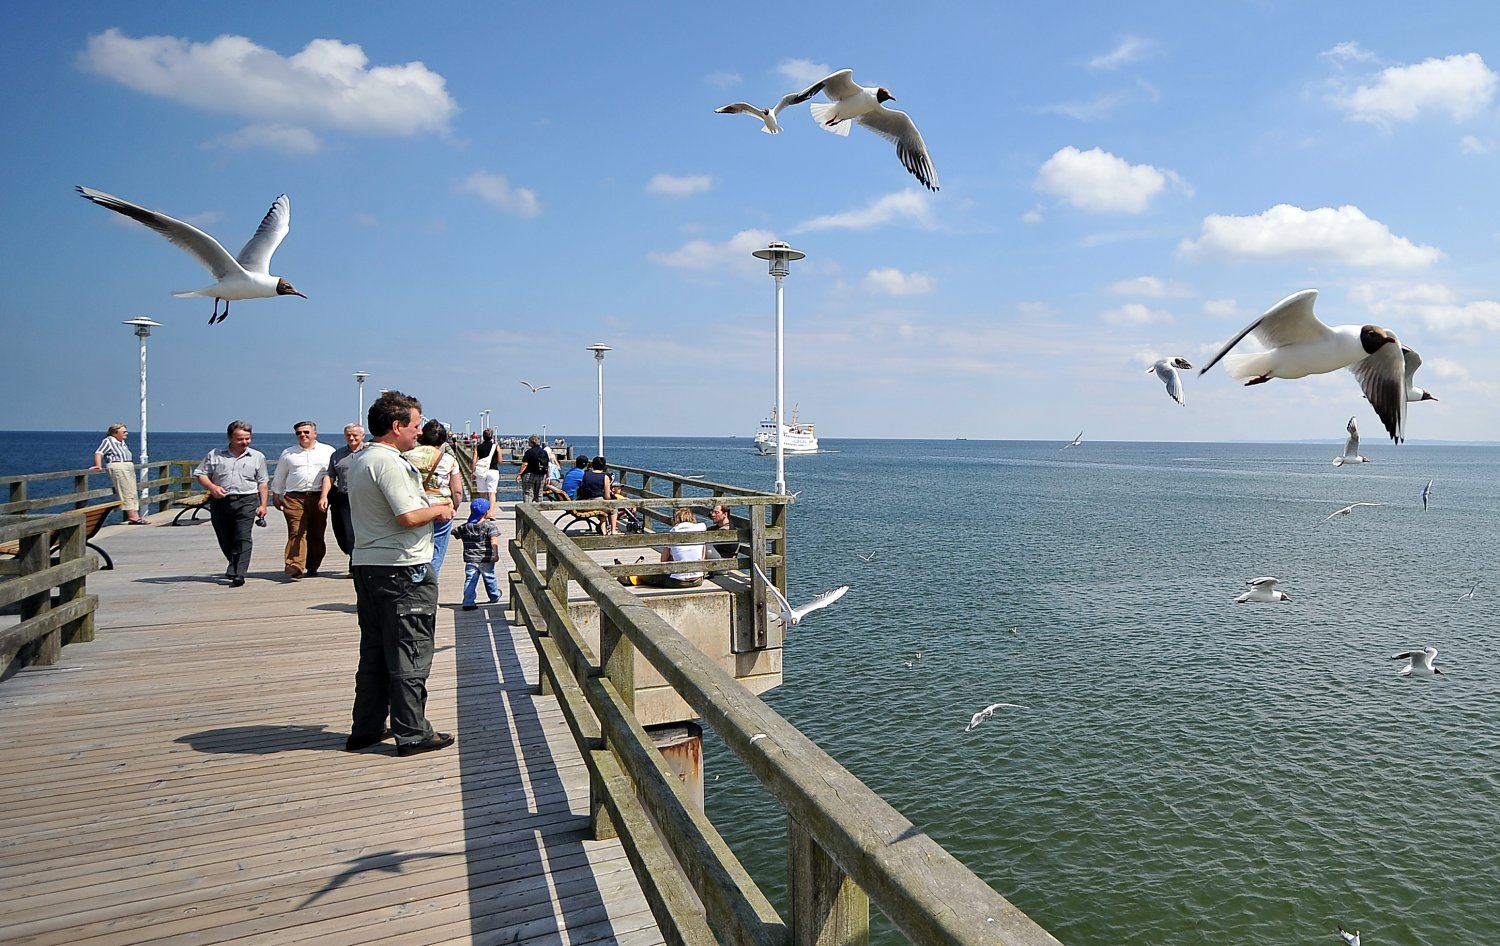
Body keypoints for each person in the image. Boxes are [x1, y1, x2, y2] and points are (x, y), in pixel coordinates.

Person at [345, 390, 456, 757]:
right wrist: (439, 510)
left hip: (369, 565)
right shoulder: (390, 463)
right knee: (410, 650)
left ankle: (366, 726)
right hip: (402, 569)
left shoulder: (360, 459)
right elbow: (407, 516)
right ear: (397, 427)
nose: (419, 432)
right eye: (415, 425)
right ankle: (411, 732)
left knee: (375, 652)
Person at [193, 421, 269, 587]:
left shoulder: (257, 457)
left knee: (243, 536)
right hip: (221, 501)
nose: (244, 442)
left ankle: (239, 573)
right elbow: (200, 474)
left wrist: (263, 505)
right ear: (230, 438)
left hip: (247, 500)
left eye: (248, 438)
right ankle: (234, 563)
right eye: (240, 439)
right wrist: (212, 487)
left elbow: (262, 482)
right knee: (225, 537)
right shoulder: (215, 455)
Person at [270, 421, 335, 580]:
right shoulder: (288, 453)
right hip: (294, 497)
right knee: (296, 531)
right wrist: (276, 494)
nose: (303, 435)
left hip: (319, 497)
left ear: (315, 433)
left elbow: (334, 473)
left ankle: (313, 564)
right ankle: (295, 565)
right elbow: (280, 475)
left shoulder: (328, 451)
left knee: (316, 532)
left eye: (306, 432)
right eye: (299, 433)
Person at [403, 419, 462, 580]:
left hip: (414, 509)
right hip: (441, 509)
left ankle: (413, 583)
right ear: (442, 440)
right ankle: (427, 590)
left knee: (413, 549)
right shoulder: (449, 460)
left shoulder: (405, 457)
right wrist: (454, 507)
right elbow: (457, 491)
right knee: (436, 552)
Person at [319, 424, 365, 559]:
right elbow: (330, 476)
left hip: (364, 497)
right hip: (344, 497)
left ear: (362, 436)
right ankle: (352, 555)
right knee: (345, 531)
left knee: (361, 530)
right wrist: (324, 497)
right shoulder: (337, 455)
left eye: (355, 435)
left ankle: (356, 563)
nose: (351, 438)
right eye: (348, 435)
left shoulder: (370, 451)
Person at [632, 508, 707, 588]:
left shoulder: (673, 532)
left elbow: (663, 561)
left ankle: (639, 571)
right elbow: (702, 558)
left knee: (649, 576)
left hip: (678, 581)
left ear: (677, 520)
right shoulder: (701, 530)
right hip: (698, 580)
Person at [91, 423, 147, 524]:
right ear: (115, 433)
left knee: (132, 491)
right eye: (123, 432)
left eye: (126, 431)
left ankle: (136, 515)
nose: (126, 433)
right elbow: (99, 452)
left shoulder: (122, 442)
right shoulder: (108, 441)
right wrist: (98, 465)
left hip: (127, 465)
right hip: (118, 466)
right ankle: (133, 516)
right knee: (125, 490)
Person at [454, 497, 502, 611]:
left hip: (471, 559)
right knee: (489, 577)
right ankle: (494, 595)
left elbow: (454, 532)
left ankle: (468, 602)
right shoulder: (490, 526)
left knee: (470, 579)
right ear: (486, 512)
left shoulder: (465, 527)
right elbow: (494, 540)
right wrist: (495, 554)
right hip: (486, 558)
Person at [576, 454, 619, 535]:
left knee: (602, 508)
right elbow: (607, 496)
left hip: (584, 505)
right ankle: (613, 530)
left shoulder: (585, 474)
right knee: (614, 508)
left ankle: (603, 529)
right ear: (604, 466)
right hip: (598, 504)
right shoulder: (605, 477)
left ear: (593, 464)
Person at [472, 430, 499, 513]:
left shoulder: (478, 447)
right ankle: (490, 512)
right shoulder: (496, 447)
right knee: (492, 493)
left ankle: (483, 512)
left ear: (483, 436)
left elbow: (474, 460)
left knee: (482, 493)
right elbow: (500, 460)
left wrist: (473, 472)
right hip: (493, 470)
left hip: (481, 471)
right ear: (492, 437)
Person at [517, 434, 550, 502]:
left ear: (532, 442)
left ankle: (528, 510)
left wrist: (519, 474)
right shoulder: (544, 452)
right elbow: (547, 465)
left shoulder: (529, 452)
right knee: (539, 494)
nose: (528, 443)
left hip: (529, 474)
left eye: (529, 442)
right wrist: (548, 476)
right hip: (541, 475)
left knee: (528, 493)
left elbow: (525, 464)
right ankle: (538, 509)